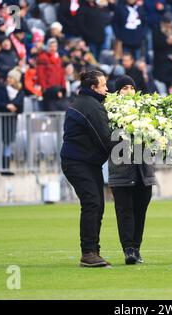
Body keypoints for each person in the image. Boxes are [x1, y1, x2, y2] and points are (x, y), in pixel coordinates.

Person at [60, 70, 113, 268]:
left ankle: (93, 250)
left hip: (84, 162)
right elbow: (104, 139)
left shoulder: (85, 102)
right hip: (78, 162)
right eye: (103, 85)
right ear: (93, 88)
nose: (107, 89)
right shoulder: (91, 107)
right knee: (92, 203)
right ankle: (88, 252)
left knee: (97, 203)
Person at [109, 75, 156, 265]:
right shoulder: (110, 112)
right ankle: (128, 249)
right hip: (121, 170)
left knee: (140, 211)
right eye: (124, 88)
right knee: (124, 211)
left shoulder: (146, 111)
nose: (129, 92)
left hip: (144, 170)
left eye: (131, 88)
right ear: (117, 92)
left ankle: (136, 248)